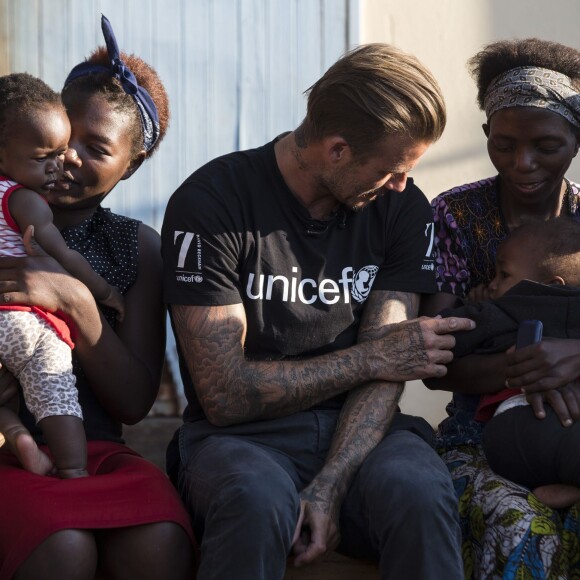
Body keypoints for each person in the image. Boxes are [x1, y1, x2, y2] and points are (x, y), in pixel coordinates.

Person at [162, 42, 474, 580]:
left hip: (362, 432)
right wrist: (371, 358)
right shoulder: (212, 203)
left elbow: (386, 374)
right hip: (240, 440)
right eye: (392, 169)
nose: (402, 183)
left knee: (419, 491)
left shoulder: (401, 207)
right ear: (337, 150)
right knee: (255, 500)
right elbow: (225, 395)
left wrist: (332, 481)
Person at [0, 15, 196, 580]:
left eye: (97, 148)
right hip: (11, 445)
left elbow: (134, 401)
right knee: (64, 549)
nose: (68, 159)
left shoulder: (136, 247)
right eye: (65, 136)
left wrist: (75, 301)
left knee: (159, 540)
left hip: (92, 450)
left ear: (131, 164)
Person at [422, 38, 580, 578]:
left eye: (546, 145)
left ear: (576, 141)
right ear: (486, 134)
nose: (524, 163)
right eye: (505, 144)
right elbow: (437, 363)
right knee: (516, 523)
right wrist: (526, 365)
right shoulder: (454, 215)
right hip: (482, 434)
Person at [0, 71, 127, 479]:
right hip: (25, 320)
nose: (60, 164)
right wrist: (104, 291)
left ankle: (18, 436)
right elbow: (63, 255)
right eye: (44, 159)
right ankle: (73, 470)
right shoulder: (23, 201)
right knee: (55, 393)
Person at [440, 219, 580, 510]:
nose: (492, 285)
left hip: (528, 417)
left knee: (504, 442)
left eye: (503, 275)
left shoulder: (510, 308)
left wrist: (471, 307)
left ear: (548, 286)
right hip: (573, 418)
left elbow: (444, 338)